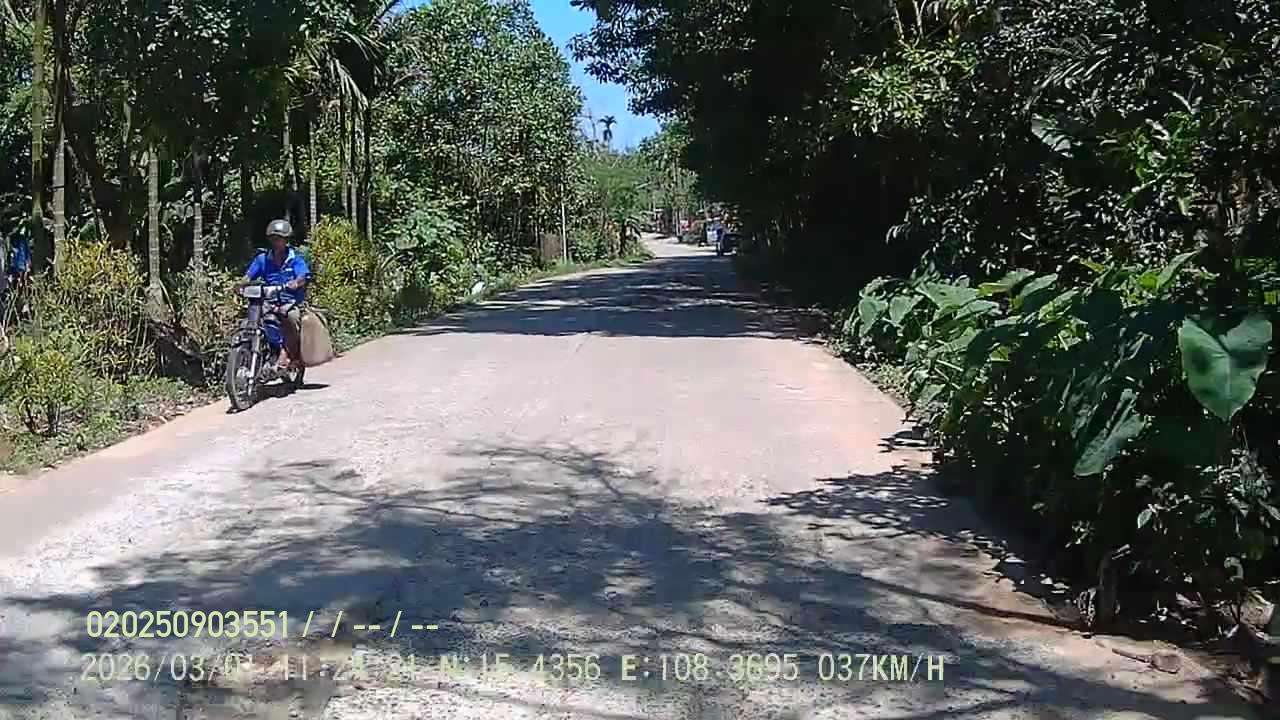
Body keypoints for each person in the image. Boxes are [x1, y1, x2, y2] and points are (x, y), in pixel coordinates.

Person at [238, 219, 311, 371]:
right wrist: (241, 284)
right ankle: (256, 351)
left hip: (289, 301)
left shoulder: (295, 258)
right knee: (251, 320)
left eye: (279, 238)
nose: (276, 242)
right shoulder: (263, 259)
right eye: (273, 238)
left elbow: (303, 276)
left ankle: (288, 351)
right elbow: (248, 276)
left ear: (286, 240)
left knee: (291, 318)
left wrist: (296, 283)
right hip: (267, 300)